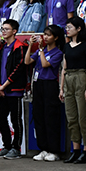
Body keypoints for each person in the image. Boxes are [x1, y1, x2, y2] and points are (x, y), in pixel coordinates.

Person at [25, 25, 66, 161]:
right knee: (39, 115)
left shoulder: (57, 53)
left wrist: (41, 49)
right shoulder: (40, 51)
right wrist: (31, 46)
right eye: (45, 34)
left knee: (50, 117)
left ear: (56, 37)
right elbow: (27, 61)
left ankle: (53, 150)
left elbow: (45, 64)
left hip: (50, 85)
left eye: (49, 35)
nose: (45, 37)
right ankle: (43, 148)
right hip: (38, 84)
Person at [60, 17, 86, 164]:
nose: (67, 29)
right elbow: (64, 67)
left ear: (79, 28)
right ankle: (75, 150)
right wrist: (61, 88)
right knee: (71, 116)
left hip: (81, 76)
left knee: (83, 116)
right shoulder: (67, 46)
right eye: (66, 27)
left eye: (70, 27)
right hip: (68, 78)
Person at [0, 19, 27, 160]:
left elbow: (18, 69)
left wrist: (4, 85)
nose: (4, 32)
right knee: (1, 118)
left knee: (15, 119)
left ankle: (16, 147)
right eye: (2, 29)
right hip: (1, 90)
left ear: (14, 31)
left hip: (14, 89)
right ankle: (6, 145)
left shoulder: (19, 47)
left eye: (6, 29)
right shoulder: (1, 47)